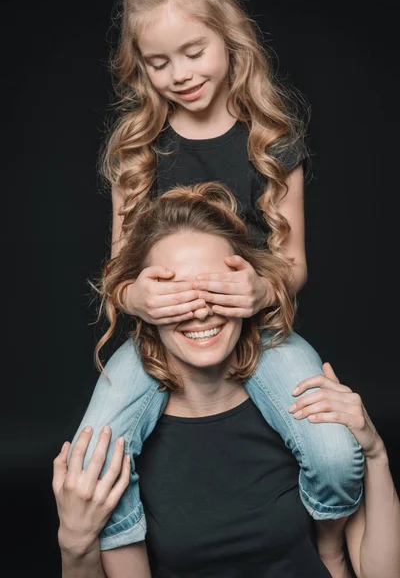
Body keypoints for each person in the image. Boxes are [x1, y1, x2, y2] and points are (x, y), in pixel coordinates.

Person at [67, 0, 365, 551]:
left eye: (193, 52)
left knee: (334, 452)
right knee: (93, 461)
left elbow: (293, 263)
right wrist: (138, 300)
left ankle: (326, 546)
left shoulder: (271, 140)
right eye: (158, 62)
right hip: (163, 340)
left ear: (230, 39)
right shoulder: (138, 148)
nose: (179, 73)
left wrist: (258, 292)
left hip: (264, 335)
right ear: (140, 67)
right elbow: (117, 277)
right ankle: (132, 558)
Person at [54, 184, 400, 577]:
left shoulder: (302, 411)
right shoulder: (124, 444)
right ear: (144, 303)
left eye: (216, 288)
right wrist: (74, 545)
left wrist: (376, 454)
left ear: (248, 289)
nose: (200, 311)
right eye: (176, 293)